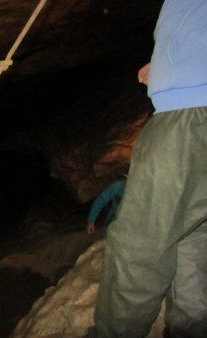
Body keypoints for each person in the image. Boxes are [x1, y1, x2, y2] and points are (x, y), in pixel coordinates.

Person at [92, 1, 207, 337]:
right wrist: (169, 63)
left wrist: (180, 74)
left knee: (140, 243)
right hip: (193, 105)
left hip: (186, 116)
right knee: (194, 232)